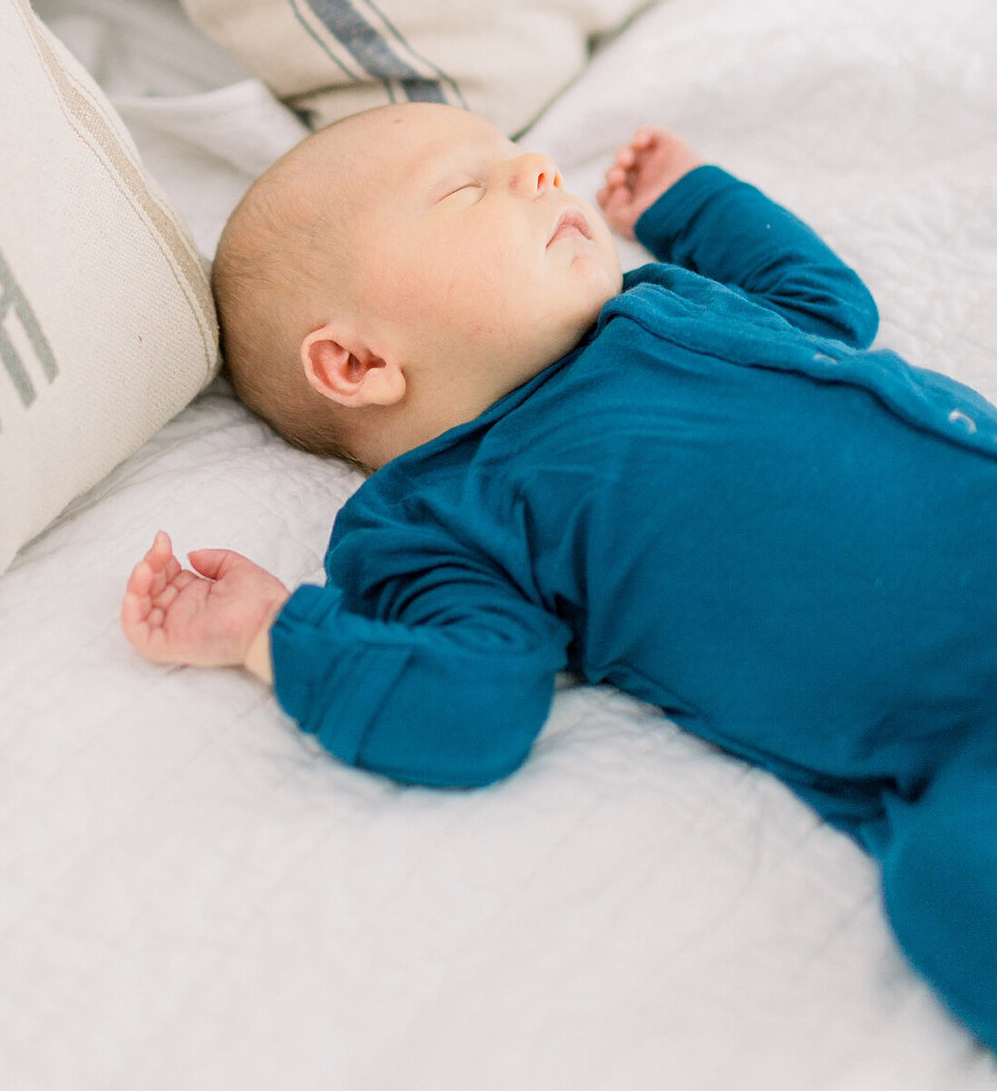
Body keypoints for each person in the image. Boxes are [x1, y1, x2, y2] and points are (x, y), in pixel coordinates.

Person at [121, 104, 997, 1050]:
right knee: (948, 887)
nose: (538, 168)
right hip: (952, 740)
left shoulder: (663, 305)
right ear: (359, 360)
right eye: (465, 188)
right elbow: (474, 705)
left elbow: (828, 308)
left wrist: (691, 203)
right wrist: (269, 629)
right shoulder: (435, 517)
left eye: (515, 153)